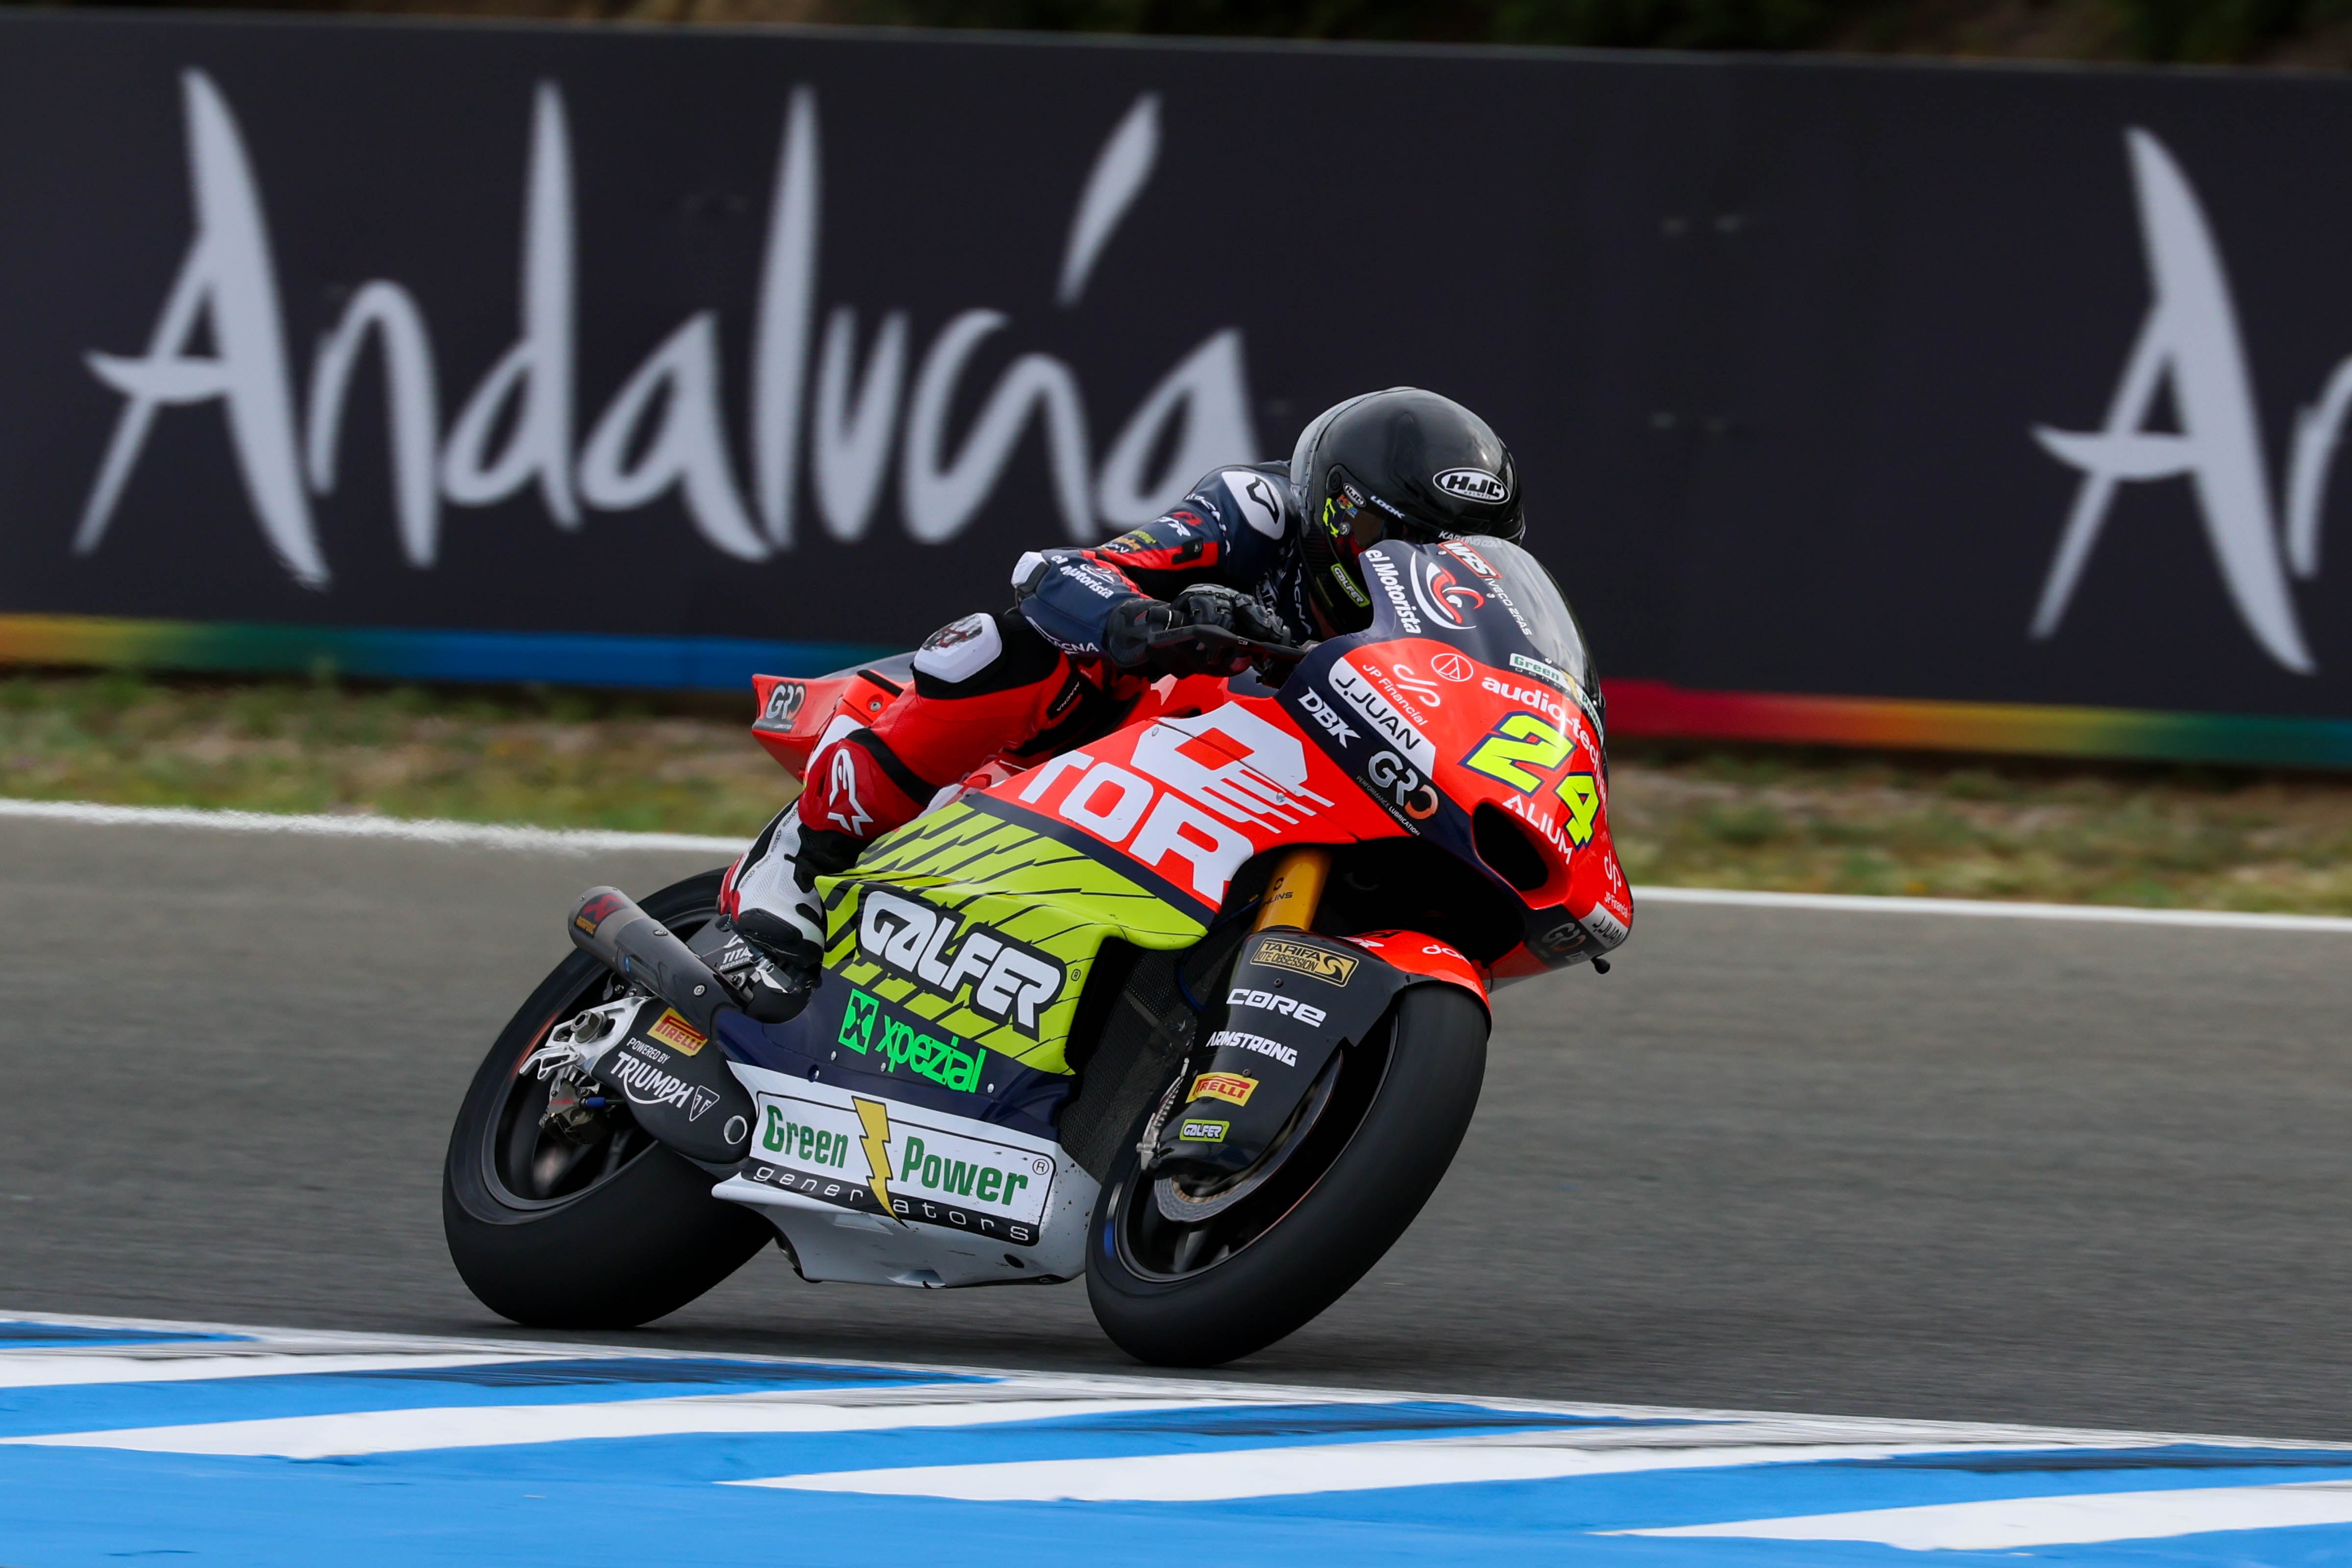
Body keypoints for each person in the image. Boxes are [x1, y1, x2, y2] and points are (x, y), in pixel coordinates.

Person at [719, 386, 1530, 1015]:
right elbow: (1061, 573)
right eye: (1397, 543)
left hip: (1285, 786)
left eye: (1448, 555)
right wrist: (1151, 621)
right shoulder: (1256, 510)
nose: (1415, 571)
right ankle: (805, 851)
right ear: (1334, 506)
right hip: (1127, 736)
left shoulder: (1465, 621)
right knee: (1011, 644)